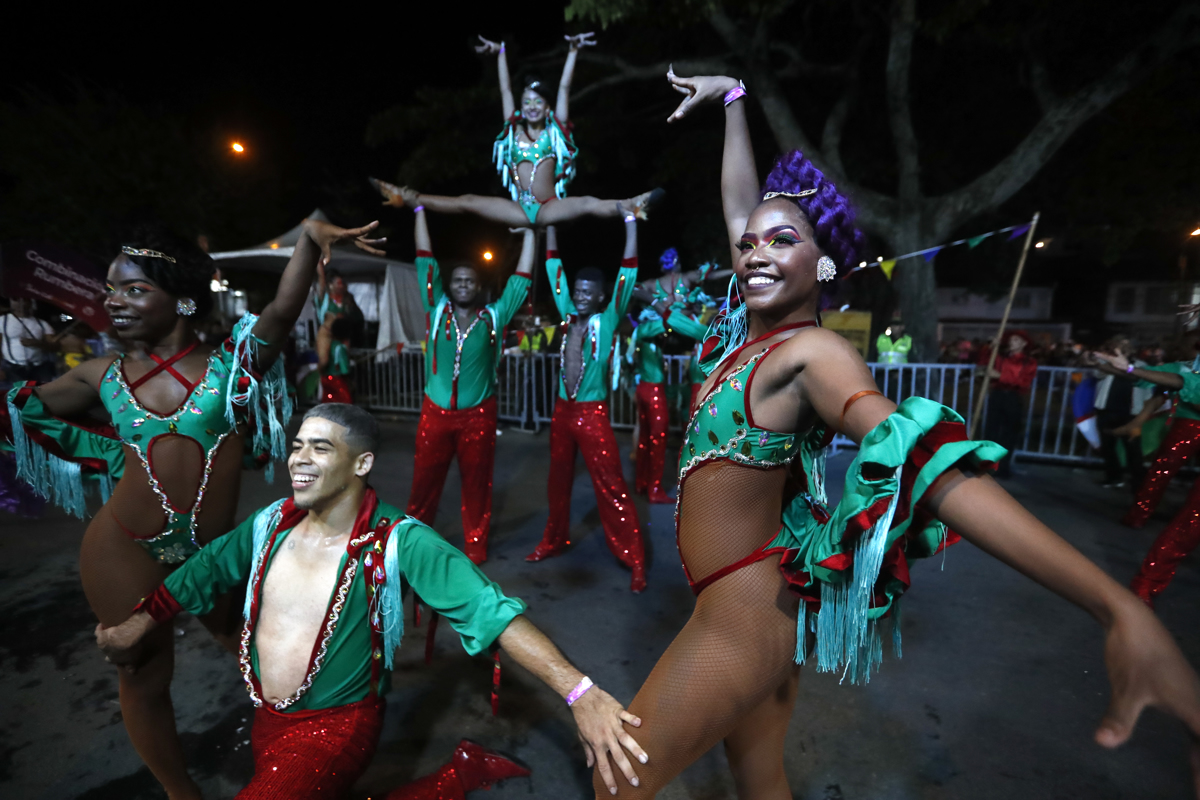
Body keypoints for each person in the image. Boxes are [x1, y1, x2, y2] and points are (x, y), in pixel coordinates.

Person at [574, 67, 1200, 800]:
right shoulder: (741, 335)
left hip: (742, 617)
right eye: (748, 245)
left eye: (782, 241)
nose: (755, 253)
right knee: (761, 780)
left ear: (825, 262)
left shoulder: (811, 353)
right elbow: (744, 207)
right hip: (756, 602)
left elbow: (928, 464)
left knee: (615, 783)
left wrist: (1115, 604)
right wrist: (736, 101)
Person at [3, 219, 384, 799]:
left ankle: (300, 765)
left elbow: (281, 310)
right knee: (142, 674)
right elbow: (23, 412)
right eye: (111, 290)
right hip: (121, 550)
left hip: (214, 556)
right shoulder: (100, 375)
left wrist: (309, 239)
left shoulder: (234, 365)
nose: (114, 301)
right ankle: (182, 794)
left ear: (181, 299)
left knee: (269, 663)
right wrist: (106, 452)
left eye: (133, 289)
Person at [95, 404, 647, 798]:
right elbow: (206, 568)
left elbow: (490, 611)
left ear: (360, 465)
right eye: (296, 446)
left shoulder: (400, 541)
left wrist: (581, 692)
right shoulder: (269, 524)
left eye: (320, 447)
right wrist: (138, 625)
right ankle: (454, 777)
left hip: (337, 730)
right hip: (267, 718)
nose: (299, 459)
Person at [368, 34, 663, 227]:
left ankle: (631, 205)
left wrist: (573, 51)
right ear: (521, 108)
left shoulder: (554, 130)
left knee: (586, 203)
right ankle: (406, 196)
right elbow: (506, 88)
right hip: (518, 209)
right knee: (467, 201)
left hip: (549, 207)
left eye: (539, 102)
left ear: (547, 109)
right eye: (527, 102)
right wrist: (501, 54)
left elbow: (563, 87)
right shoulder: (512, 128)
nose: (533, 106)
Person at [405, 208, 534, 564]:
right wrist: (418, 210)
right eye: (458, 280)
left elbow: (520, 279)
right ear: (449, 285)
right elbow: (424, 258)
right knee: (424, 483)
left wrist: (530, 234)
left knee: (477, 485)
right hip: (435, 414)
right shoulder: (436, 310)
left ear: (479, 287)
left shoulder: (494, 316)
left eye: (470, 281)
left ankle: (475, 545)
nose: (464, 284)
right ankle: (414, 540)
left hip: (478, 416)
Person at [525, 220, 646, 592]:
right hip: (562, 414)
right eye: (576, 289)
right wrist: (550, 225)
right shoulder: (566, 314)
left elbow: (628, 270)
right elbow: (553, 265)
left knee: (611, 487)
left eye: (587, 292)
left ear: (599, 297)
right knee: (556, 484)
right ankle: (553, 539)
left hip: (593, 416)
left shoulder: (607, 319)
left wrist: (629, 222)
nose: (579, 295)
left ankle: (635, 559)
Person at [1093, 345, 1200, 604]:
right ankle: (1145, 583)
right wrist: (1119, 367)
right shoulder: (1186, 366)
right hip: (1190, 423)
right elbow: (1171, 379)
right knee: (1181, 498)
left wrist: (1130, 368)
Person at [629, 289, 706, 503]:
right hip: (652, 392)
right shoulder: (646, 330)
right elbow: (668, 323)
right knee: (658, 440)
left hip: (648, 390)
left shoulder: (647, 333)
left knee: (646, 439)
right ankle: (654, 488)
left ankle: (642, 482)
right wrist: (671, 309)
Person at [1092, 337, 1151, 490]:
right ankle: (1114, 477)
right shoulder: (1105, 364)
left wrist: (1143, 410)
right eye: (1118, 345)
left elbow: (1146, 389)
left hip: (1131, 413)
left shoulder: (1141, 366)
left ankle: (1138, 481)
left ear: (1132, 348)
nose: (1122, 347)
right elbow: (1097, 374)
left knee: (1133, 449)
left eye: (1126, 345)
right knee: (1107, 447)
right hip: (1106, 410)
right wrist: (1109, 363)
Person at [983, 330, 1038, 478]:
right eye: (1011, 340)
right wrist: (990, 348)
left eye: (1015, 340)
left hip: (1013, 398)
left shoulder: (1029, 362)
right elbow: (984, 364)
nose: (1011, 342)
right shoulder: (1001, 357)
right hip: (997, 395)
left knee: (1009, 434)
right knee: (991, 431)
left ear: (1023, 343)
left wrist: (1001, 376)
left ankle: (1003, 467)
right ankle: (987, 465)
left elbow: (1024, 382)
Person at [314, 264, 361, 377]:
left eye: (342, 283)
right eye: (338, 283)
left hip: (341, 334)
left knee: (343, 361)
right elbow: (321, 282)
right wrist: (320, 270)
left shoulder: (346, 300)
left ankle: (342, 385)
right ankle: (319, 379)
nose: (340, 286)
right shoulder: (325, 298)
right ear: (330, 285)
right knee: (324, 360)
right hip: (326, 333)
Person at [0, 298, 57, 384]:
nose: (21, 303)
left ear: (31, 303)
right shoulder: (2, 321)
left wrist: (38, 344)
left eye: (25, 299)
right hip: (12, 368)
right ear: (11, 302)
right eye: (16, 299)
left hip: (38, 368)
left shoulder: (42, 324)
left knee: (40, 394)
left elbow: (54, 347)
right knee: (21, 395)